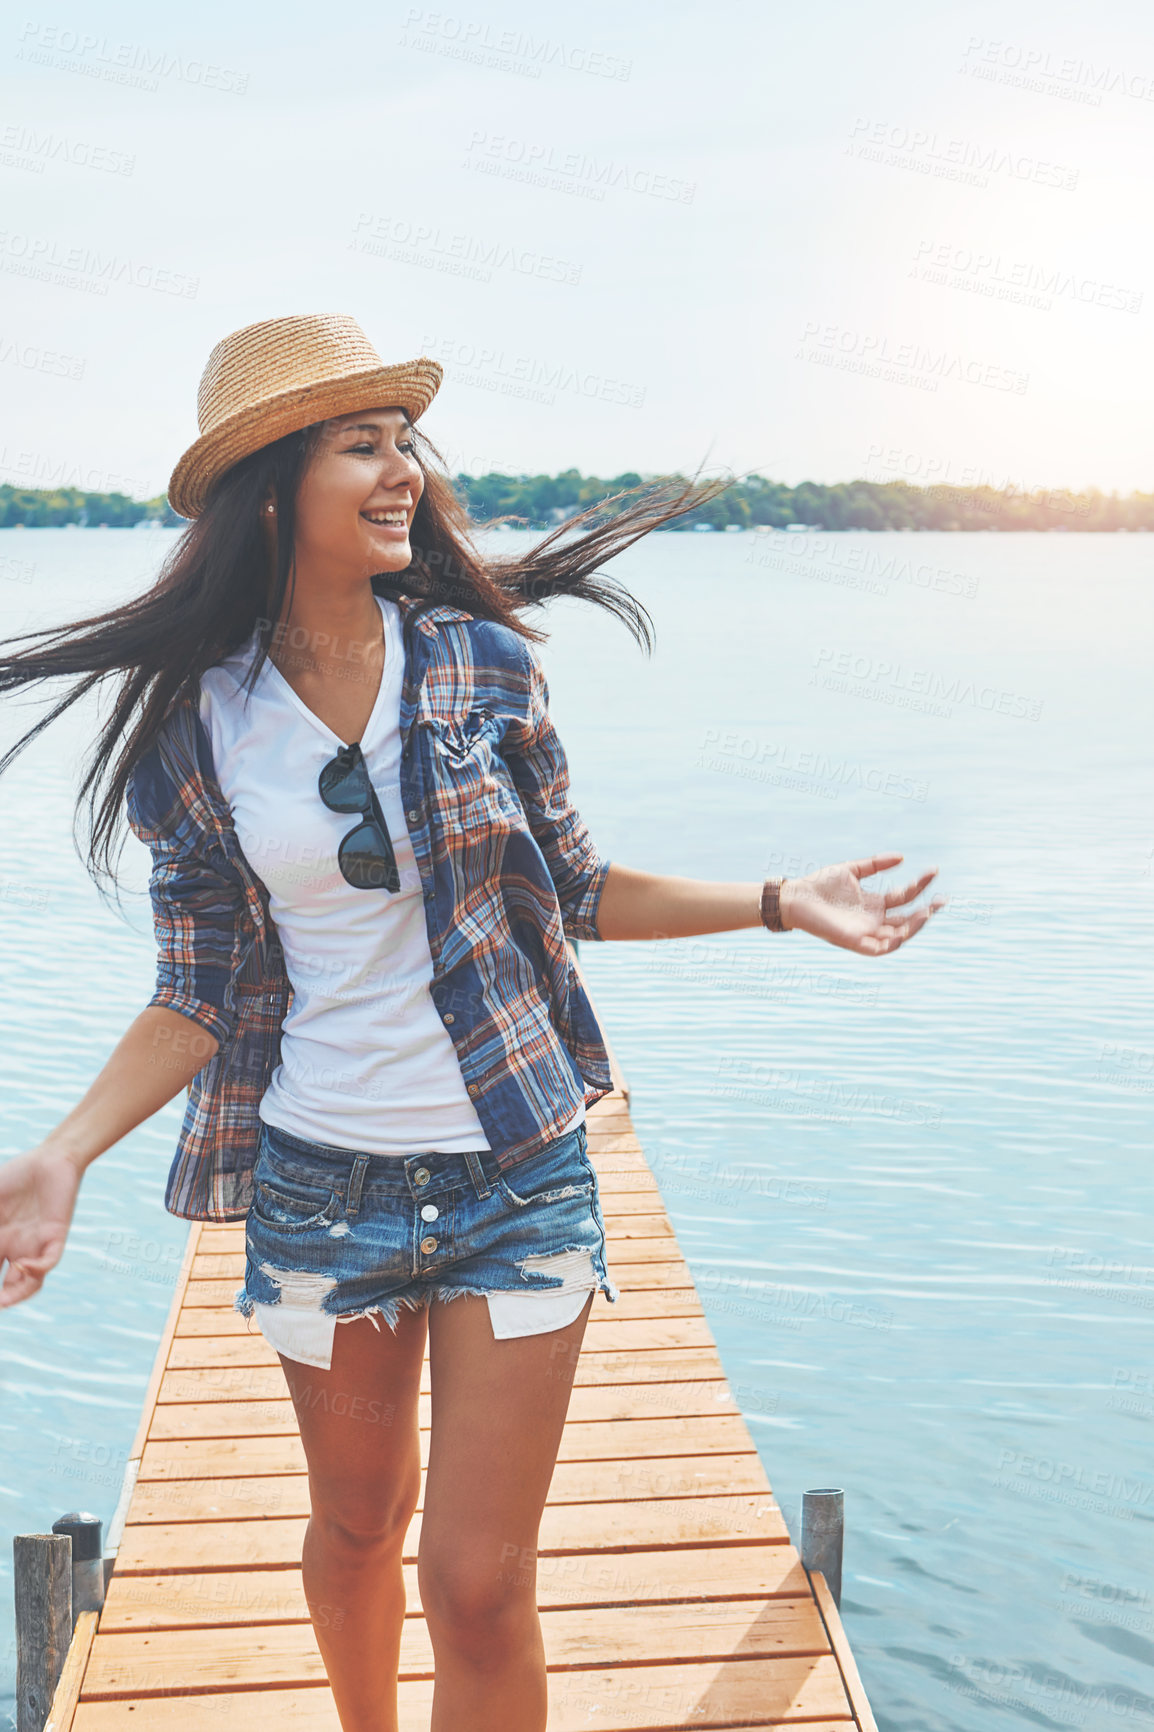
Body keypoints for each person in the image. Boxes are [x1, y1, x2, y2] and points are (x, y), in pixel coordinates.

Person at [0, 314, 944, 1732]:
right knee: (358, 1533)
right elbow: (199, 987)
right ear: (271, 488)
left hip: (517, 1174)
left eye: (403, 446)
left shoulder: (480, 665)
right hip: (321, 1191)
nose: (402, 476)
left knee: (480, 1582)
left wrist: (770, 899)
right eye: (359, 447)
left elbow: (571, 887)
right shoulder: (201, 727)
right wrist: (66, 1150)